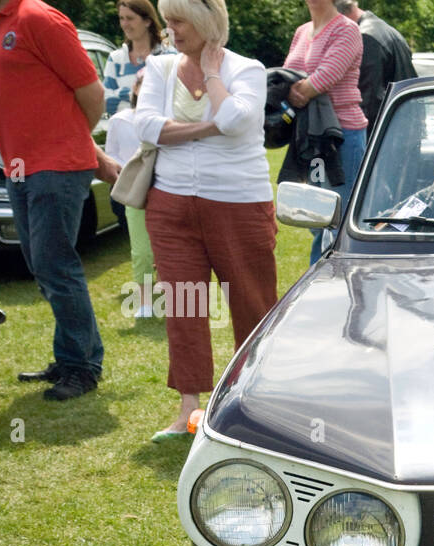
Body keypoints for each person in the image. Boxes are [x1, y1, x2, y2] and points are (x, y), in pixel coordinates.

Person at [134, 0, 277, 441]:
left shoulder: (246, 69)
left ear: (204, 22)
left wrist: (213, 76)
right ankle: (188, 409)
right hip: (171, 204)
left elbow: (236, 118)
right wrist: (207, 127)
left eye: (178, 21)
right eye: (169, 20)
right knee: (183, 304)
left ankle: (250, 403)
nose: (170, 29)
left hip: (239, 204)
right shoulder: (160, 70)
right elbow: (146, 126)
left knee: (251, 303)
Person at [0, 0, 121, 400]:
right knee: (43, 265)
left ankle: (82, 367)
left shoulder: (37, 16)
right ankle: (71, 356)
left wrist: (75, 142)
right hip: (22, 168)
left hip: (53, 167)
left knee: (55, 264)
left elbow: (90, 91)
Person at [285, 0, 368, 263]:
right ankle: (320, 282)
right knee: (314, 216)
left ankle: (327, 282)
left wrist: (296, 89)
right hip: (309, 136)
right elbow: (286, 78)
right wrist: (292, 87)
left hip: (341, 135)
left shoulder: (347, 30)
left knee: (337, 220)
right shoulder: (301, 31)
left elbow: (322, 79)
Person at [104, 73, 156, 319]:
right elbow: (111, 155)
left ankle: (177, 297)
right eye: (143, 84)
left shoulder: (168, 121)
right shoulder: (119, 121)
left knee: (170, 248)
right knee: (141, 251)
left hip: (166, 189)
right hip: (134, 192)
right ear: (135, 88)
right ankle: (144, 301)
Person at [333, 0, 415, 131]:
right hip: (405, 124)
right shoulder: (387, 30)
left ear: (339, 15)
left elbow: (369, 100)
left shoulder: (365, 37)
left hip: (388, 132)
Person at [103, 0, 171, 116]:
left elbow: (171, 100)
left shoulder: (169, 56)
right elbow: (105, 102)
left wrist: (122, 97)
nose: (124, 24)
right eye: (121, 18)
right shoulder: (115, 59)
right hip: (125, 131)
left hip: (162, 131)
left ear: (147, 21)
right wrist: (132, 93)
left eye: (130, 18)